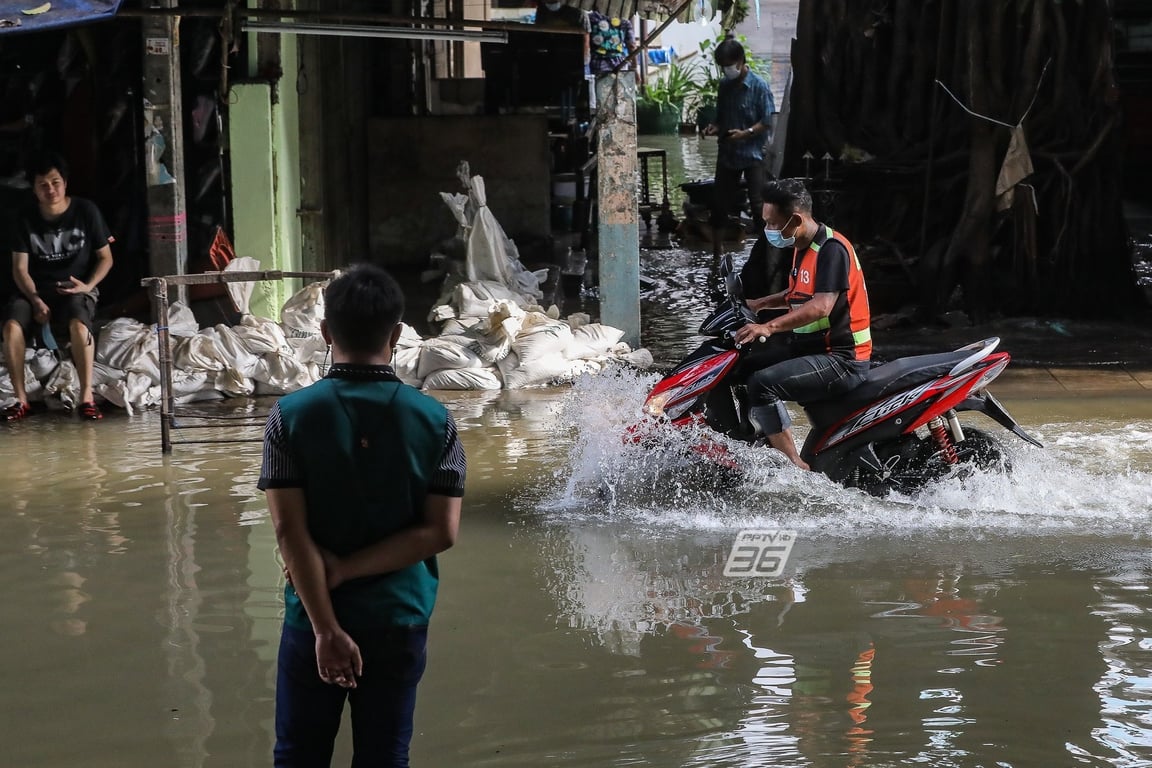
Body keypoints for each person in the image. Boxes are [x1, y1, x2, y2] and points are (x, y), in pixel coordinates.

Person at [259, 264, 466, 767]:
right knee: (385, 756)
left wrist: (327, 630)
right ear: (396, 335)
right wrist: (348, 569)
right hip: (399, 618)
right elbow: (441, 532)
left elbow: (289, 530)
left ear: (326, 333)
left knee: (298, 757)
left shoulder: (289, 417)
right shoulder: (437, 422)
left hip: (310, 618)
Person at [732, 179, 872, 470]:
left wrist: (768, 327)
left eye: (772, 224)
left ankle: (794, 466)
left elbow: (820, 305)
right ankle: (753, 442)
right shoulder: (803, 245)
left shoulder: (832, 249)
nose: (768, 230)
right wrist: (758, 305)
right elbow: (795, 295)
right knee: (742, 367)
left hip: (842, 358)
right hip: (810, 348)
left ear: (795, 220)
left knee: (761, 384)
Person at [3, 151, 113, 421]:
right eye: (43, 184)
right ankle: (20, 400)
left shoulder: (86, 211)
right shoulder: (24, 217)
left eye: (55, 182)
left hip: (76, 287)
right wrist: (36, 299)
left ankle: (86, 397)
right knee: (11, 327)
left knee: (79, 324)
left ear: (65, 182)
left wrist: (87, 285)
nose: (50, 189)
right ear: (34, 188)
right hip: (34, 291)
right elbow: (20, 269)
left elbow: (106, 258)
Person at [703, 38, 775, 232]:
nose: (727, 70)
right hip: (728, 153)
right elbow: (721, 117)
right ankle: (718, 253)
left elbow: (768, 121)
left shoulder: (759, 87)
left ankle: (765, 252)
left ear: (741, 61)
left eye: (730, 65)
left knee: (759, 205)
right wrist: (714, 127)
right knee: (720, 205)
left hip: (754, 154)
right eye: (723, 67)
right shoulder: (724, 86)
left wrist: (746, 133)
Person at [588, 11, 635, 75]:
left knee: (600, 84)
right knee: (620, 84)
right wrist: (634, 68)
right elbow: (631, 46)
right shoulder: (624, 20)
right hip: (620, 64)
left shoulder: (592, 18)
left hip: (597, 63)